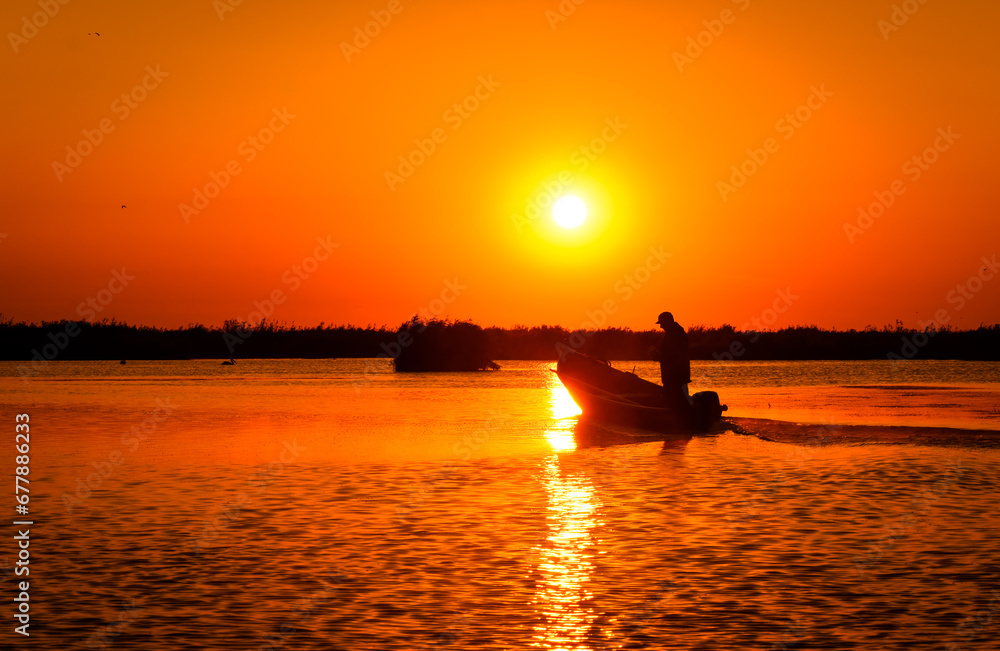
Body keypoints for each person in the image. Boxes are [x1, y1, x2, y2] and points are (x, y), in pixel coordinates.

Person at [657, 312, 691, 406]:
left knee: (676, 402)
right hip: (676, 377)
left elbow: (672, 355)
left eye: (662, 323)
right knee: (680, 402)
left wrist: (658, 357)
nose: (661, 326)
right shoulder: (676, 332)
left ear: (668, 322)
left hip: (675, 377)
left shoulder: (675, 334)